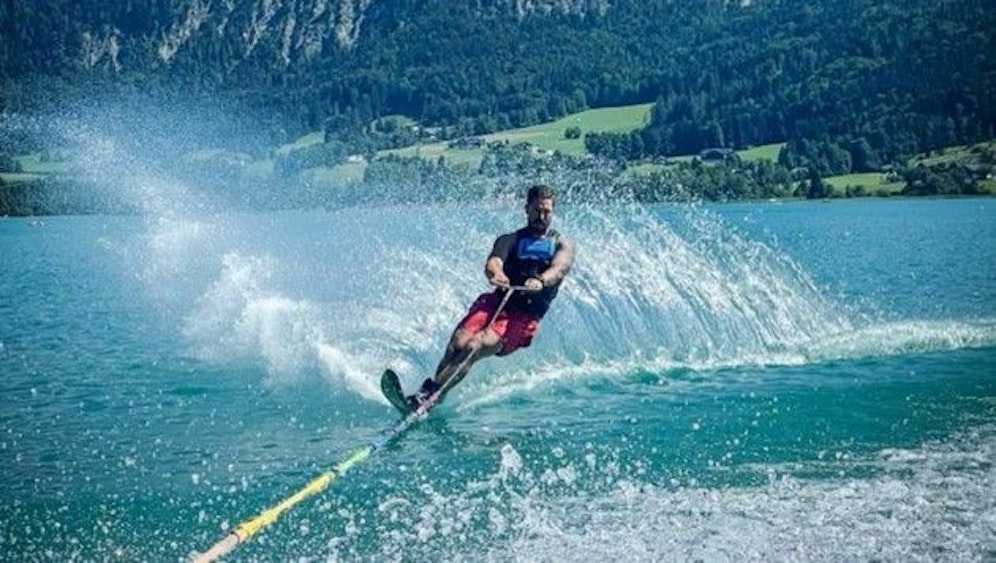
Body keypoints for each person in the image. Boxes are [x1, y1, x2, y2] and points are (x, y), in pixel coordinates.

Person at [407, 184, 577, 409]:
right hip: (497, 302)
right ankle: (431, 396)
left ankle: (429, 396)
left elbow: (559, 269)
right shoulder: (509, 239)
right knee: (458, 342)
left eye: (547, 211)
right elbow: (494, 261)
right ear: (527, 209)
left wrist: (541, 280)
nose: (541, 216)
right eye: (537, 210)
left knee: (474, 346)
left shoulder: (562, 244)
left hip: (523, 317)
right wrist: (497, 274)